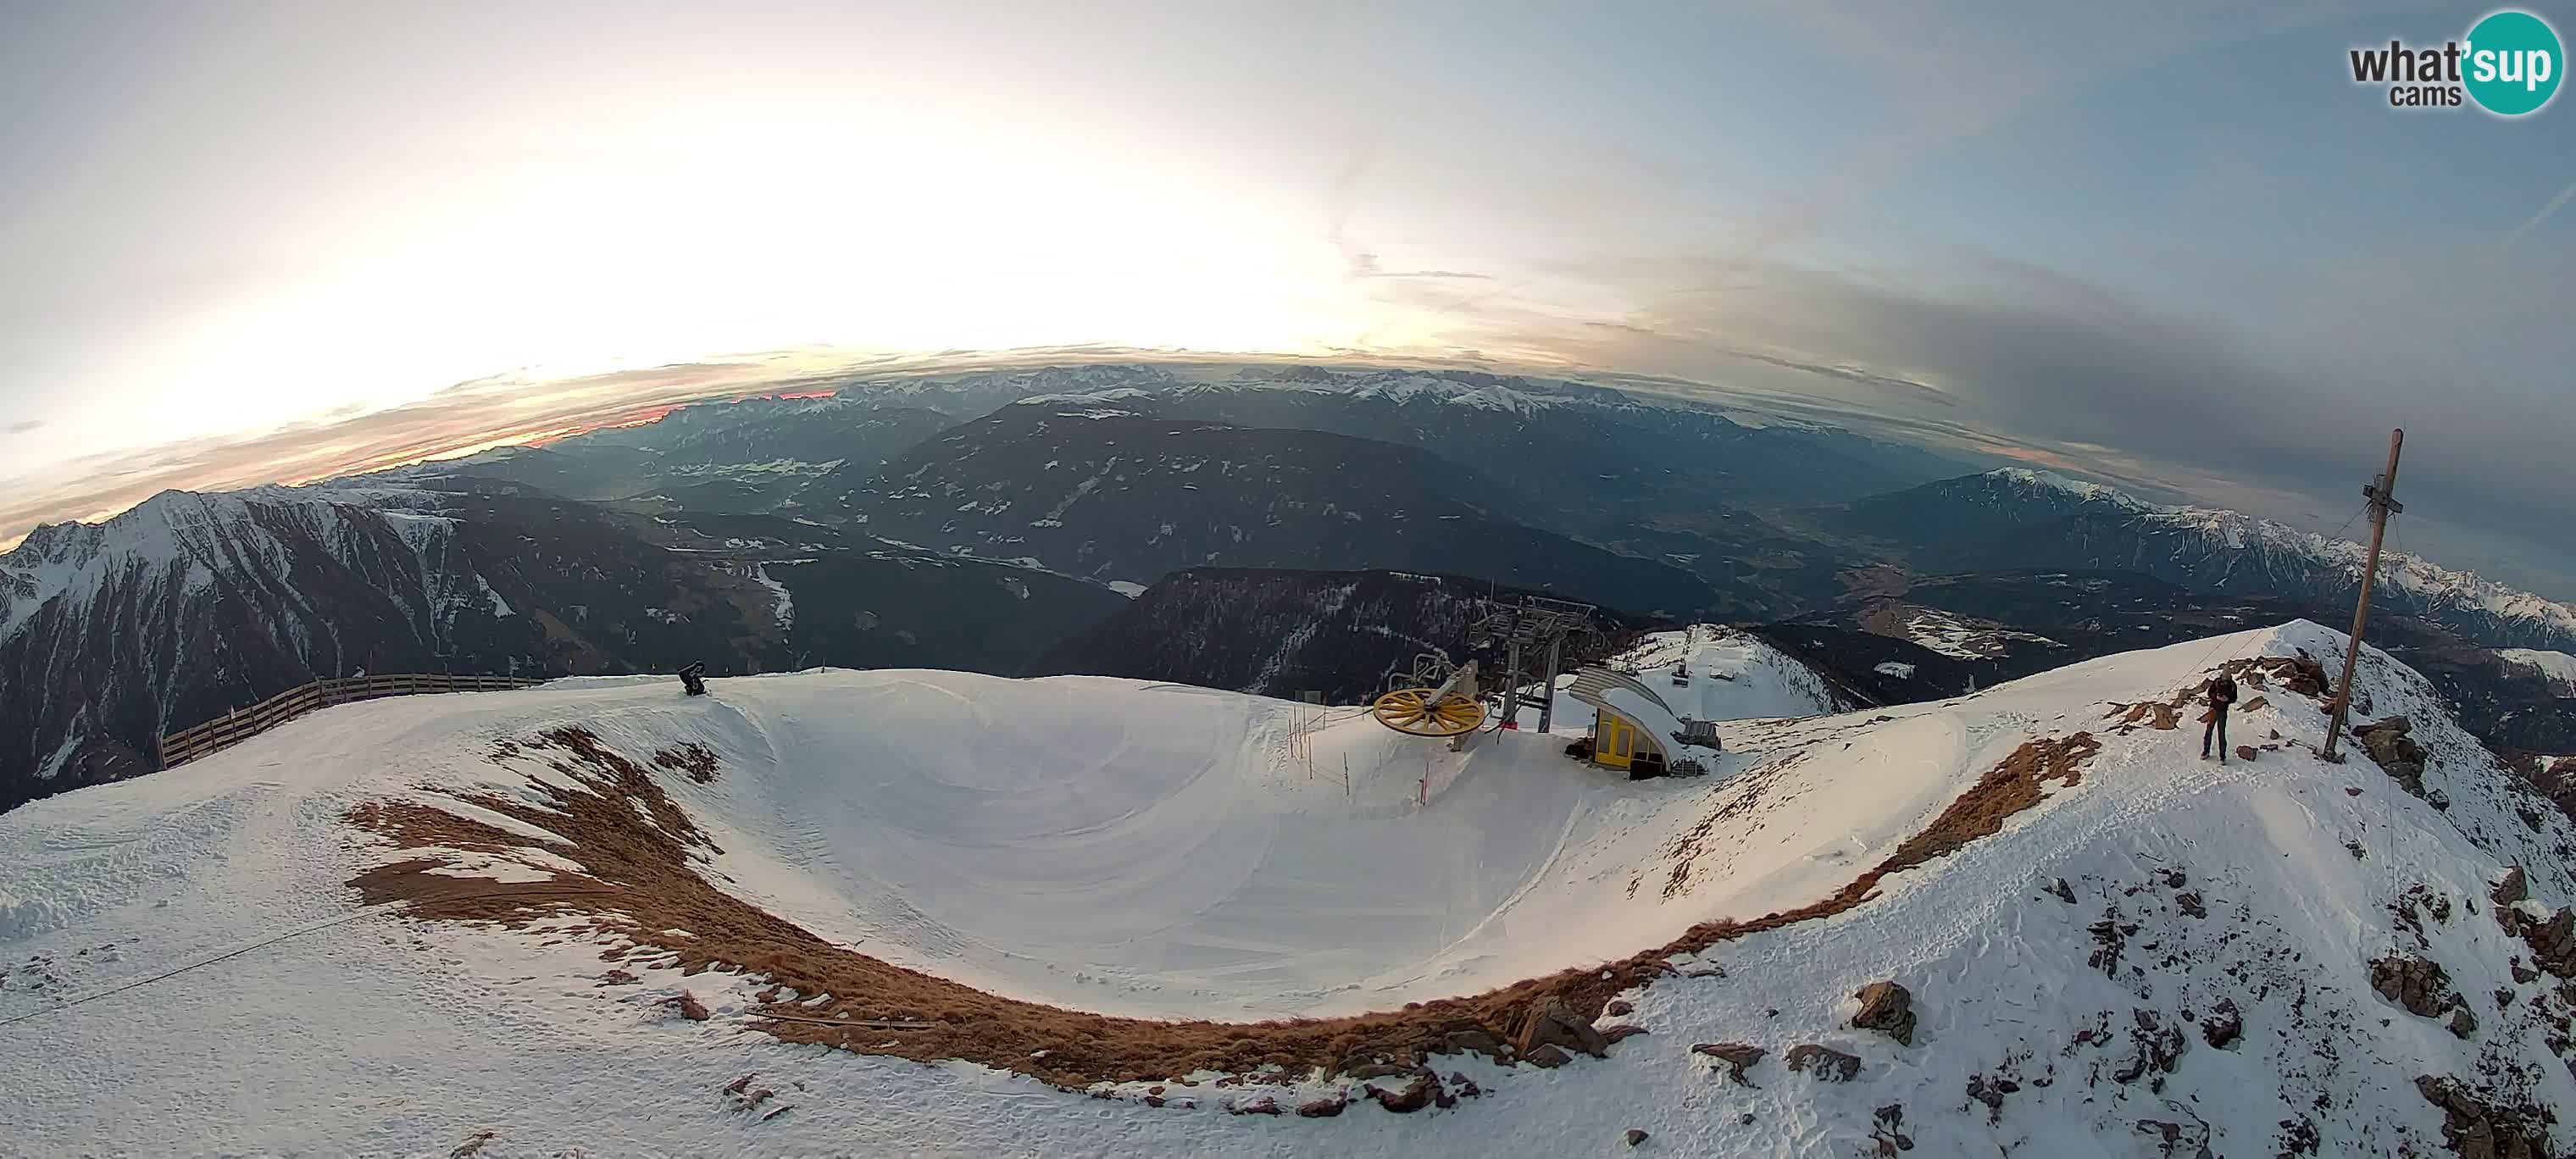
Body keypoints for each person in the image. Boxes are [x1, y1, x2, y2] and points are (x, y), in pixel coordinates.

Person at [2202, 673, 2238, 763]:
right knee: (2209, 731)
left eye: (2227, 679)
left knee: (2221, 733)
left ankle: (2222, 756)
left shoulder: (2232, 685)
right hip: (2213, 709)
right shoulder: (2217, 682)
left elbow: (2234, 698)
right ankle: (2206, 751)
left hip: (2222, 711)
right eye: (2224, 679)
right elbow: (2209, 693)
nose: (2225, 681)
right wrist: (2216, 696)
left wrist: (2227, 700)